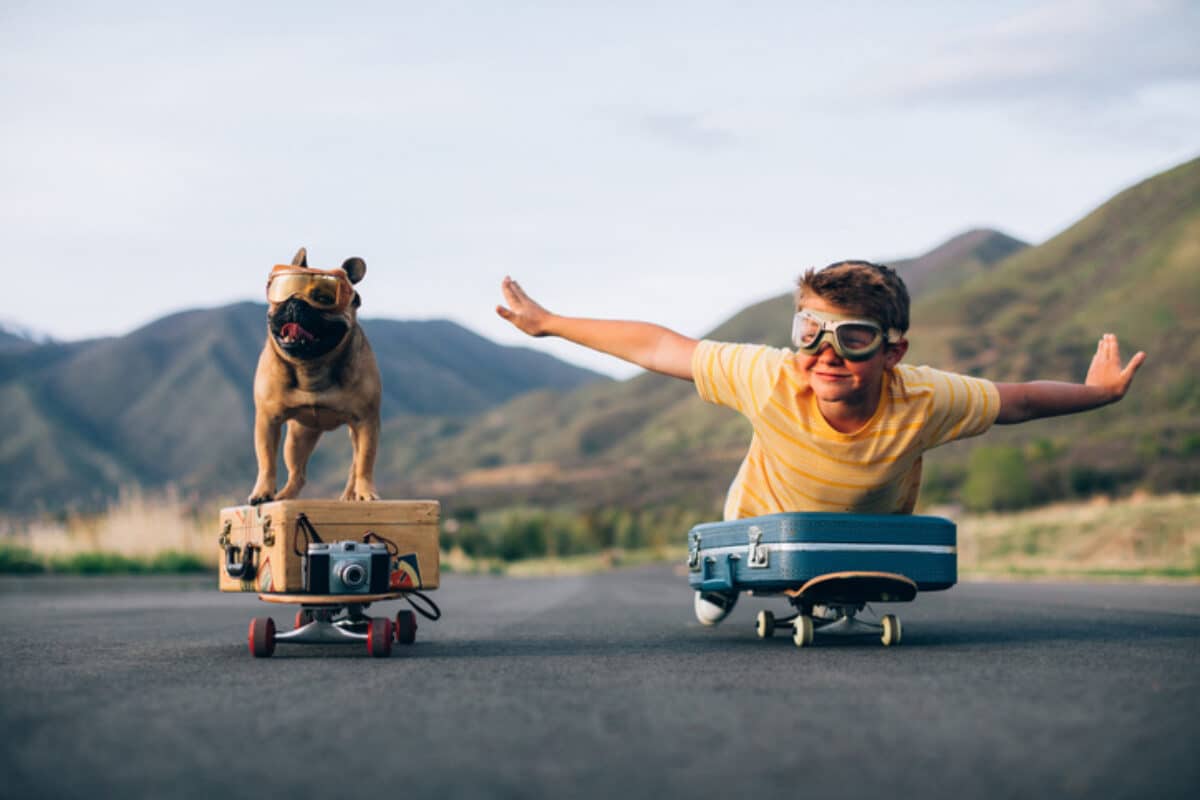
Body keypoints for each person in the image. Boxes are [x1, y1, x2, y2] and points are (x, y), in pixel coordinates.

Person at [495, 261, 1146, 624]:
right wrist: (549, 323)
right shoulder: (767, 375)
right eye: (810, 330)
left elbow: (1020, 400)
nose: (825, 354)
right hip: (760, 518)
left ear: (893, 351)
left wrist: (1100, 394)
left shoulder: (926, 397)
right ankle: (722, 579)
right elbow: (664, 346)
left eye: (852, 339)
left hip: (865, 536)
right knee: (736, 552)